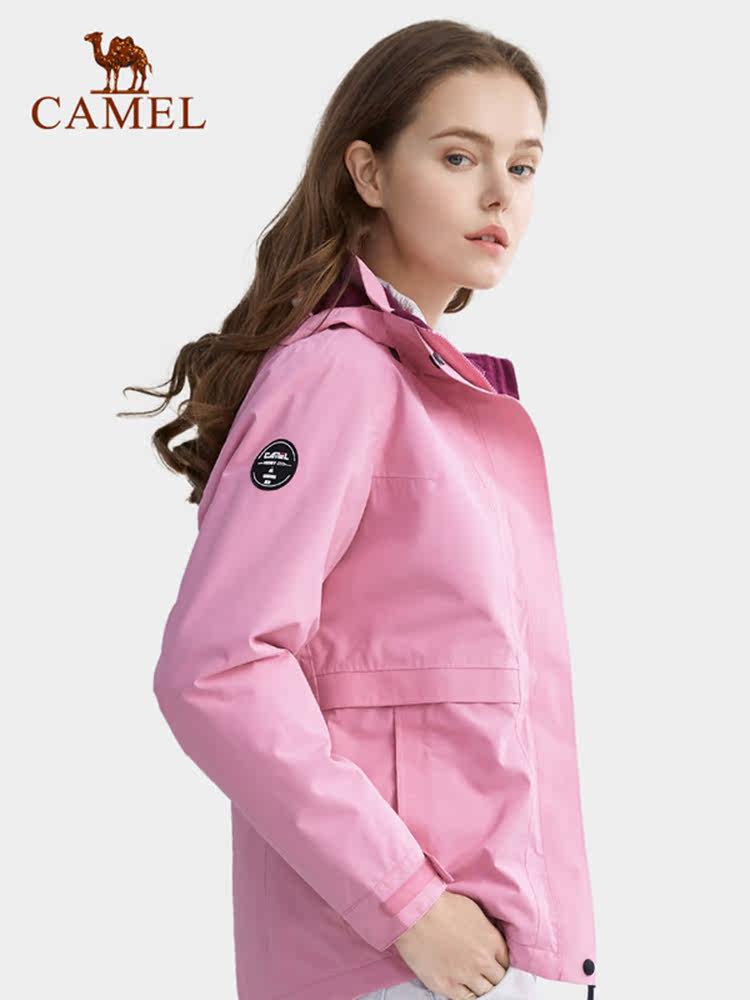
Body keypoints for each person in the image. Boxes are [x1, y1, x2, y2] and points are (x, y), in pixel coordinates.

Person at [124, 18, 597, 1000]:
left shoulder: (430, 387)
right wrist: (410, 905)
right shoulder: (340, 374)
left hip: (476, 944)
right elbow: (217, 667)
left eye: (523, 165)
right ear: (369, 172)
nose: (500, 193)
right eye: (460, 156)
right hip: (394, 956)